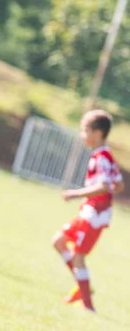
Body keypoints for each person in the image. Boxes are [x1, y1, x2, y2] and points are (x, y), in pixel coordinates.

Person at [51, 110, 123, 312]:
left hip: (94, 216)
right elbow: (118, 185)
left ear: (97, 133)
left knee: (78, 257)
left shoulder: (100, 158)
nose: (83, 135)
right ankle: (83, 288)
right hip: (90, 212)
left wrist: (76, 194)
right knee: (58, 241)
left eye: (85, 130)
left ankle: (88, 305)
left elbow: (105, 186)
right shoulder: (107, 156)